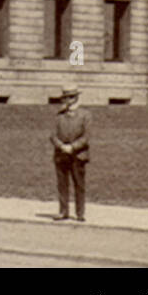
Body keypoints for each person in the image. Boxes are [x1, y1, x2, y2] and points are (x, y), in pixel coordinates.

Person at [50, 83, 90, 222]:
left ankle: (80, 213)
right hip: (61, 154)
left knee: (79, 185)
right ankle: (63, 211)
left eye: (72, 97)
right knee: (62, 184)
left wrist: (72, 147)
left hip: (78, 155)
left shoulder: (85, 115)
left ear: (76, 98)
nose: (68, 100)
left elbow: (86, 137)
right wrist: (61, 146)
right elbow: (53, 135)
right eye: (66, 97)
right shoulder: (59, 115)